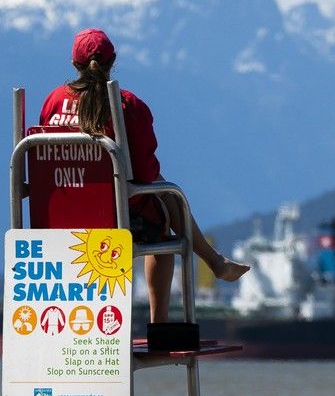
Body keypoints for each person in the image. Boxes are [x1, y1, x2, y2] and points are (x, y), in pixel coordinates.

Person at [40, 28, 249, 323]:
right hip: (112, 219)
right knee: (164, 213)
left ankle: (215, 261)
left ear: (74, 64)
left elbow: (42, 161)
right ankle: (161, 320)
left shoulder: (53, 101)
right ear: (113, 61)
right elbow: (146, 173)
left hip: (56, 216)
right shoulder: (126, 105)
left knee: (163, 194)